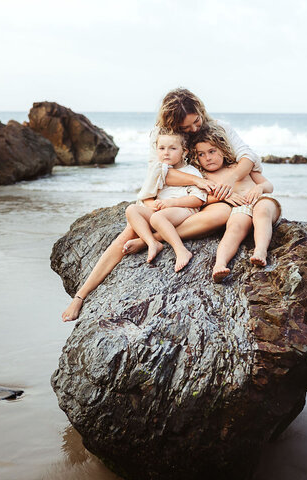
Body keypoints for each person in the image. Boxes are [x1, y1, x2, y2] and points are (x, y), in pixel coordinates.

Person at [61, 88, 263, 321]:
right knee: (126, 234)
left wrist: (228, 183)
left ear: (200, 110)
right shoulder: (165, 137)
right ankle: (81, 296)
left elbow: (249, 156)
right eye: (186, 128)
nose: (194, 129)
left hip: (200, 198)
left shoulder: (218, 127)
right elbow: (158, 173)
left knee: (222, 213)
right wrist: (196, 183)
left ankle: (151, 240)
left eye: (196, 121)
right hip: (173, 196)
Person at [189, 125, 281, 282]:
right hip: (240, 208)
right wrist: (223, 197)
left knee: (261, 212)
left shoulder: (240, 166)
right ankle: (220, 264)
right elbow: (202, 200)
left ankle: (260, 251)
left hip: (261, 201)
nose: (208, 158)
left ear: (223, 151)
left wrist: (259, 188)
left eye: (212, 151)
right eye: (201, 154)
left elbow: (269, 186)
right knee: (234, 227)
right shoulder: (205, 178)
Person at [125, 129, 206, 272]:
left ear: (184, 152)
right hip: (162, 212)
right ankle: (151, 242)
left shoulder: (191, 172)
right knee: (131, 209)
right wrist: (153, 205)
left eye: (172, 148)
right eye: (161, 148)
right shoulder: (160, 171)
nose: (166, 153)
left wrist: (172, 203)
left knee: (157, 218)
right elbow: (146, 197)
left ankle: (181, 250)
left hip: (183, 210)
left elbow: (198, 200)